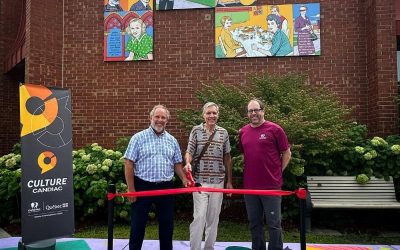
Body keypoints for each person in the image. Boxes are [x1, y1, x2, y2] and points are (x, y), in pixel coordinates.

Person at [124, 105, 189, 250]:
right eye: (157, 117)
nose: (160, 120)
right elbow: (128, 163)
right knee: (138, 225)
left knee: (167, 225)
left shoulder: (172, 140)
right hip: (143, 187)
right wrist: (131, 189)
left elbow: (177, 163)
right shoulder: (138, 138)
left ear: (167, 120)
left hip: (166, 188)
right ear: (151, 118)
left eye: (163, 117)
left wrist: (184, 179)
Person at [239, 99, 291, 250]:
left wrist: (278, 172)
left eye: (256, 110)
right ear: (247, 113)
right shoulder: (243, 132)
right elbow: (247, 155)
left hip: (271, 186)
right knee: (254, 223)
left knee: (274, 223)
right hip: (250, 187)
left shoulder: (275, 129)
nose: (254, 113)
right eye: (250, 111)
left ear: (263, 111)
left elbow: (287, 153)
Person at [184, 102, 233, 250]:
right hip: (199, 182)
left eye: (214, 113)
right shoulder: (196, 130)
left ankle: (209, 248)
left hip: (218, 181)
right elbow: (189, 151)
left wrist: (229, 181)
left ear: (218, 115)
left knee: (213, 218)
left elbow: (227, 157)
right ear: (203, 115)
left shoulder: (223, 132)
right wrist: (187, 162)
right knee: (199, 217)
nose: (212, 116)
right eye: (209, 113)